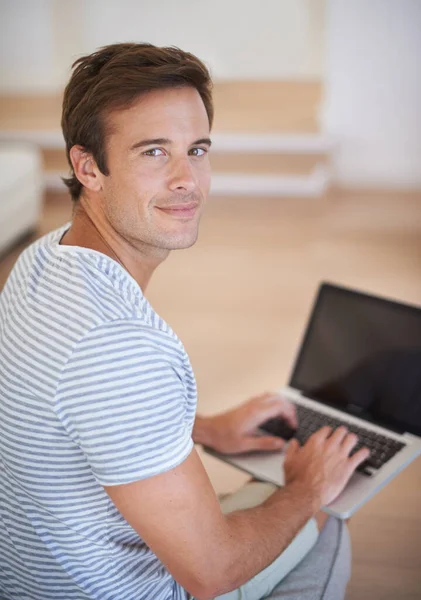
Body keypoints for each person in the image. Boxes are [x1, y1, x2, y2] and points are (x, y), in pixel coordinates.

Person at [0, 43, 370, 600]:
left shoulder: (40, 261)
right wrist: (307, 489)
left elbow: (72, 405)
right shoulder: (120, 346)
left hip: (37, 575)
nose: (187, 180)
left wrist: (203, 427)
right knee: (329, 521)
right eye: (153, 152)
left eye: (196, 149)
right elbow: (212, 571)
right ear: (87, 166)